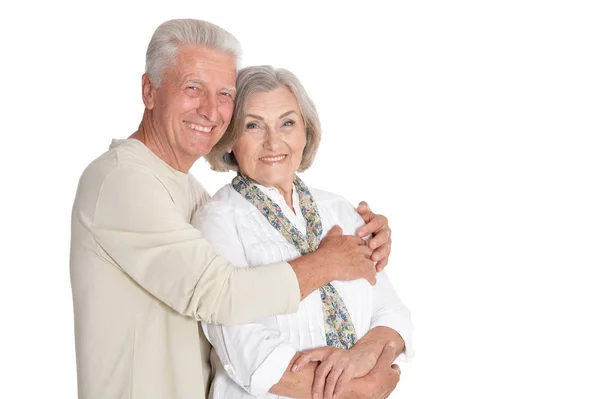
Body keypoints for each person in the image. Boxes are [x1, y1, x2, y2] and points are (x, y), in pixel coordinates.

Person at [70, 19, 394, 399]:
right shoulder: (122, 180)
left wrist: (371, 243)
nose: (210, 110)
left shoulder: (191, 193)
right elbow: (220, 296)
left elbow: (388, 310)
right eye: (193, 88)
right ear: (149, 91)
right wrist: (330, 262)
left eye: (224, 94)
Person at [196, 65, 414, 399]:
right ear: (229, 137)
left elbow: (393, 313)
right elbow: (247, 354)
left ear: (306, 132)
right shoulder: (217, 221)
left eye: (287, 123)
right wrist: (359, 391)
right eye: (253, 125)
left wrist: (363, 355)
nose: (273, 142)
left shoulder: (340, 210)